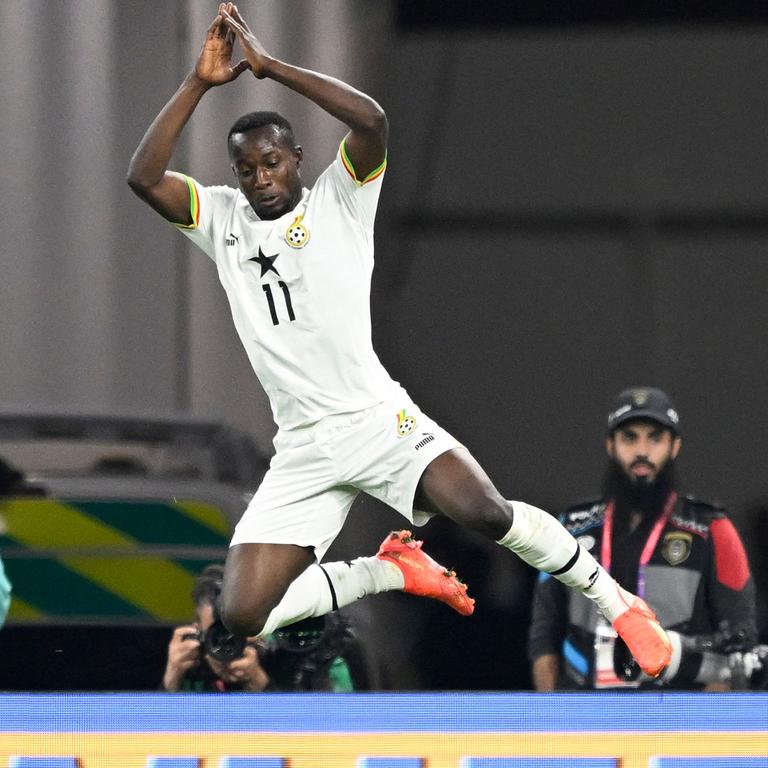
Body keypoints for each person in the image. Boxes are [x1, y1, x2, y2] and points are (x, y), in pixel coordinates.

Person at [128, 3, 670, 682]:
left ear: (297, 158)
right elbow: (144, 177)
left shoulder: (341, 199)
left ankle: (618, 604)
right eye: (247, 169)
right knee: (240, 617)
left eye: (271, 162)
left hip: (377, 421)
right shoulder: (223, 220)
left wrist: (269, 69)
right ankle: (388, 570)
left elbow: (373, 121)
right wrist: (198, 83)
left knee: (486, 512)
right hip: (303, 448)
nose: (260, 178)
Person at [528, 386, 758, 691]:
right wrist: (550, 720)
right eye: (629, 437)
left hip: (676, 717)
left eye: (655, 437)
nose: (642, 451)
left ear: (675, 446)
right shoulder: (570, 527)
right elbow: (544, 635)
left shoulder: (712, 528)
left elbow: (741, 641)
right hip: (583, 712)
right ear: (610, 445)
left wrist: (706, 723)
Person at [162, 564, 368, 692]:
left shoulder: (307, 662)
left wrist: (260, 684)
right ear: (198, 633)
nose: (234, 642)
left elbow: (331, 740)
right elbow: (153, 746)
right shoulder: (193, 670)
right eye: (220, 634)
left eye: (246, 629)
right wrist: (171, 680)